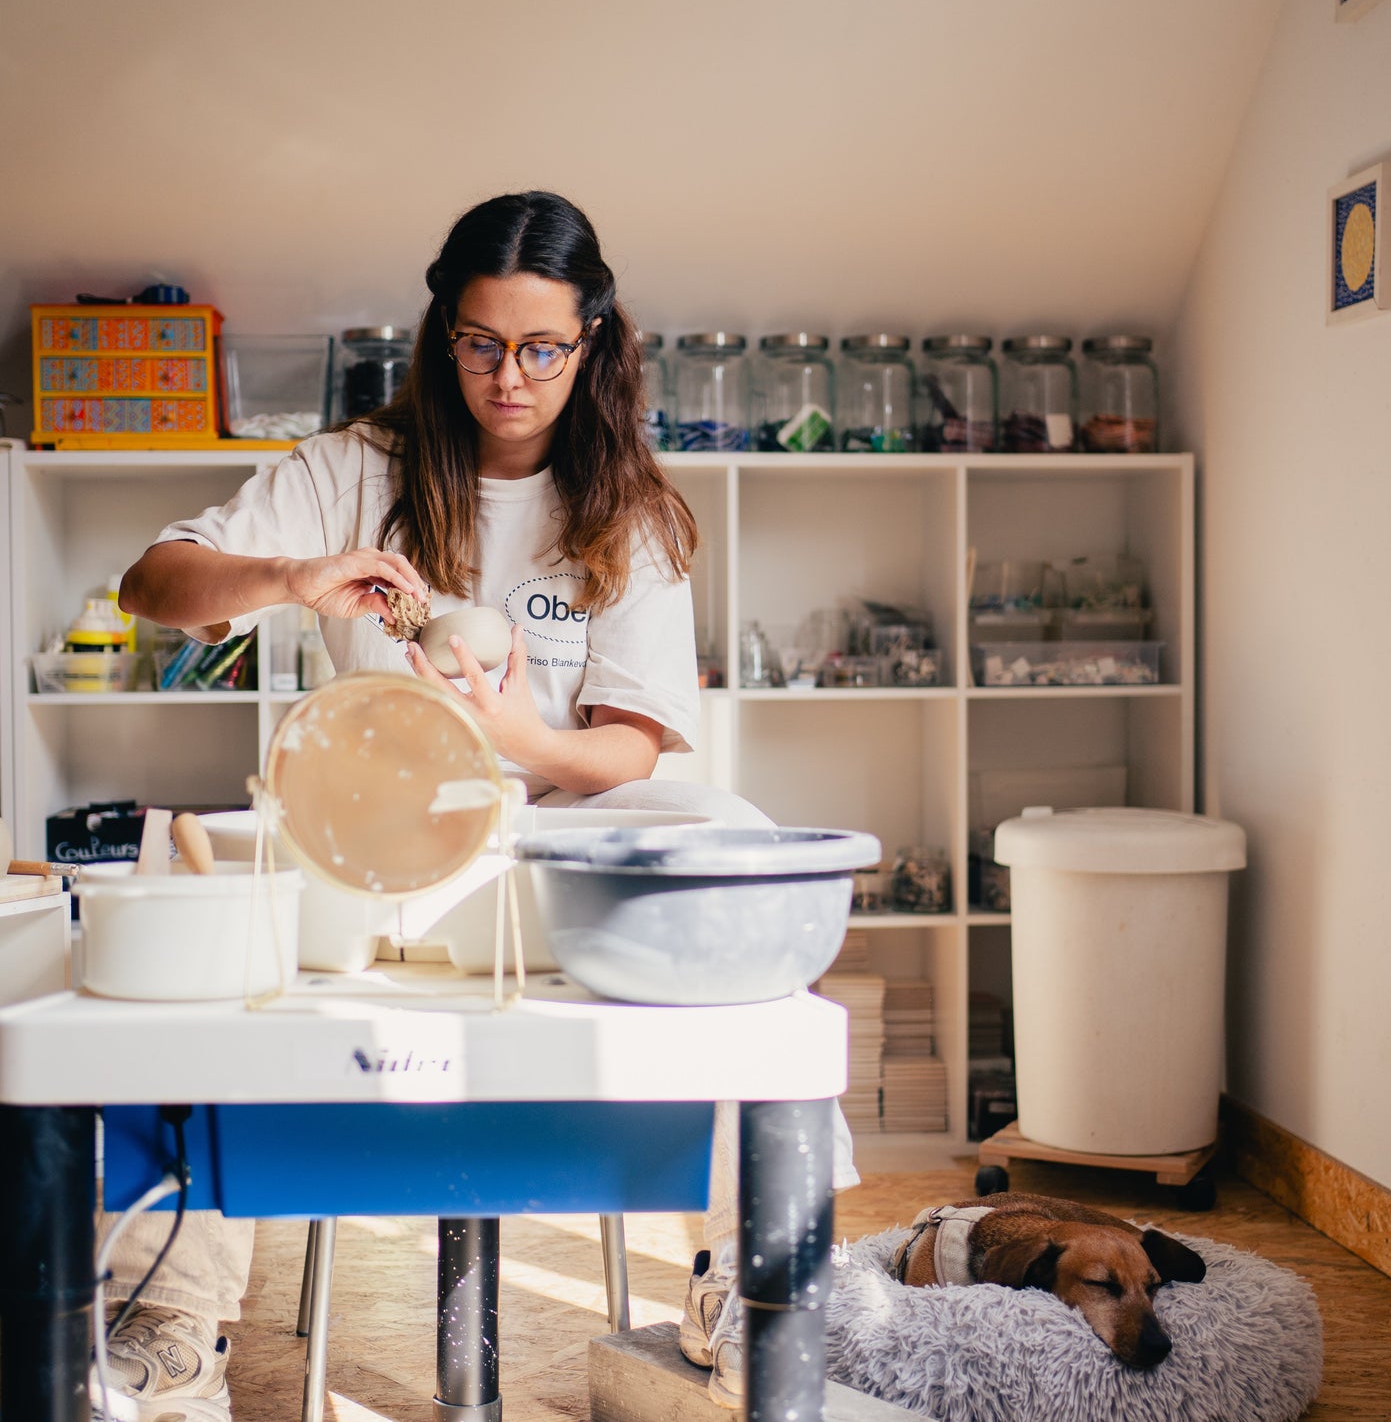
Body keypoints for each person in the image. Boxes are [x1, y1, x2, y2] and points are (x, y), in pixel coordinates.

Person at [106, 190, 856, 1419]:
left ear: (592, 341)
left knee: (728, 831)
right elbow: (151, 583)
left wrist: (518, 739)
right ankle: (171, 1316)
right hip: (369, 849)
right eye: (481, 343)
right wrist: (293, 574)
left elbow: (629, 750)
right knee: (179, 888)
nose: (509, 378)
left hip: (549, 853)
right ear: (441, 334)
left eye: (542, 348)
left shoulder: (630, 512)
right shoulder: (352, 471)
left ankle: (752, 1273)